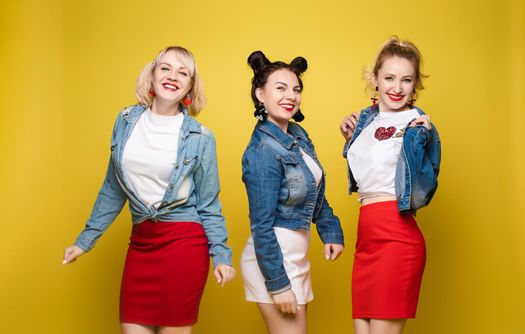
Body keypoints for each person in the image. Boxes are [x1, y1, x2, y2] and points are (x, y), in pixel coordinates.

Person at [63, 46, 235, 334]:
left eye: (183, 73)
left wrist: (221, 255)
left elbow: (208, 203)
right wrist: (85, 240)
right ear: (152, 75)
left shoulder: (201, 137)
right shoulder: (126, 120)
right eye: (165, 68)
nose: (172, 76)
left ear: (190, 86)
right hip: (141, 242)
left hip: (184, 245)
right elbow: (113, 187)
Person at [339, 36, 441, 334]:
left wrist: (426, 139)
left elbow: (426, 183)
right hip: (366, 240)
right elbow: (367, 174)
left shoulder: (418, 123)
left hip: (398, 238)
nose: (397, 88)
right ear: (375, 79)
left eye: (406, 80)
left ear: (415, 85)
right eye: (389, 78)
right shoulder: (363, 121)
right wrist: (349, 139)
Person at [240, 51, 345, 334]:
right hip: (275, 260)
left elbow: (314, 193)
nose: (291, 95)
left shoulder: (298, 136)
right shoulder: (262, 151)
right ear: (260, 94)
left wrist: (330, 232)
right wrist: (278, 284)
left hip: (296, 256)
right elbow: (261, 226)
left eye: (296, 89)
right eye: (281, 88)